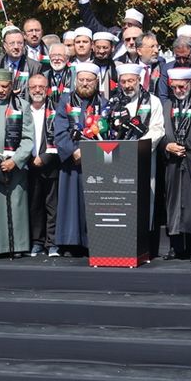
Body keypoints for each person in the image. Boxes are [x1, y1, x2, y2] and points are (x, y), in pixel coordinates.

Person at [53, 63, 109, 253]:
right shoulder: (65, 101)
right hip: (71, 161)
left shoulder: (104, 104)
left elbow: (107, 132)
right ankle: (70, 243)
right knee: (70, 203)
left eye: (89, 80)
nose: (85, 83)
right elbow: (59, 130)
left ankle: (92, 243)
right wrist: (73, 151)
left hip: (95, 161)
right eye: (81, 80)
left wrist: (88, 151)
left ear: (96, 81)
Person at [0, 70, 35, 257]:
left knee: (16, 203)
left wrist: (16, 160)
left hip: (14, 164)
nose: (0, 90)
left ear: (11, 86)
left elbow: (28, 138)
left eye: (4, 86)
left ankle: (17, 246)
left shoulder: (22, 105)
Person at [160, 67, 191, 261]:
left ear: (190, 83)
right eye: (174, 87)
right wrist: (167, 145)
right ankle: (176, 246)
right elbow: (160, 131)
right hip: (172, 158)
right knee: (173, 202)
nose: (178, 91)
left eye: (182, 86)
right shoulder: (167, 104)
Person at [22, 73, 61, 257]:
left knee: (52, 206)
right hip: (28, 164)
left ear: (47, 89)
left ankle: (52, 242)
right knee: (34, 205)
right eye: (33, 87)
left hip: (51, 163)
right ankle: (37, 241)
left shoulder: (56, 109)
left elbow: (60, 136)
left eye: (41, 87)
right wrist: (28, 158)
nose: (37, 90)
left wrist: (44, 157)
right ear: (28, 89)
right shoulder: (22, 109)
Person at [0, 26, 42, 97]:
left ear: (24, 44)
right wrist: (2, 94)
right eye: (12, 43)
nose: (16, 47)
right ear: (4, 45)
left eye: (19, 43)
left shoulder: (35, 66)